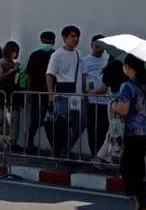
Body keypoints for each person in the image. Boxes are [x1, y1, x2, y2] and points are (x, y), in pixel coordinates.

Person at [113, 54, 146, 210]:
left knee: (131, 171)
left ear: (129, 68)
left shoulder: (127, 86)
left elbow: (123, 110)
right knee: (132, 169)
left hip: (134, 133)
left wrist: (115, 105)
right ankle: (139, 205)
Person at [46, 25, 84, 160]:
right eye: (72, 36)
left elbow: (82, 75)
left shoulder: (79, 54)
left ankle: (65, 149)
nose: (76, 39)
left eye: (77, 36)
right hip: (62, 96)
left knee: (80, 124)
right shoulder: (57, 55)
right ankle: (60, 151)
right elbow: (49, 75)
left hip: (77, 96)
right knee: (62, 124)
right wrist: (51, 95)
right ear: (64, 38)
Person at [20, 31, 55, 155]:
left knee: (52, 121)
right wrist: (29, 90)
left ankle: (55, 147)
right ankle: (30, 143)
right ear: (41, 41)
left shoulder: (55, 55)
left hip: (52, 92)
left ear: (53, 42)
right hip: (37, 91)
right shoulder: (35, 55)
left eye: (49, 41)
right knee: (35, 119)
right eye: (45, 40)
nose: (47, 43)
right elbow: (29, 74)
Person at [81, 35, 112, 159]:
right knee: (92, 129)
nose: (99, 49)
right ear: (91, 46)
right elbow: (84, 80)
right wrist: (86, 96)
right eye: (96, 46)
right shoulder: (85, 61)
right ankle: (94, 155)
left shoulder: (107, 60)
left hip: (106, 101)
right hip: (92, 101)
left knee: (104, 129)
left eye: (101, 46)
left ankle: (101, 156)